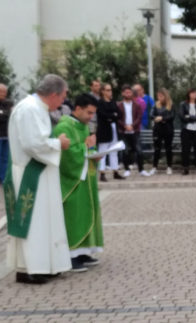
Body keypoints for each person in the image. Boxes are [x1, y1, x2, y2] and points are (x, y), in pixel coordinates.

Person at [5, 74, 71, 284]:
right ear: (53, 95)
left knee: (45, 222)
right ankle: (30, 269)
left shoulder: (36, 108)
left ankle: (46, 265)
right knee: (34, 223)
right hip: (30, 175)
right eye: (63, 97)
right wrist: (58, 143)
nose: (63, 102)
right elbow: (33, 144)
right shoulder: (29, 109)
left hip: (41, 174)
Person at [53, 93, 103, 272]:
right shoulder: (64, 126)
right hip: (72, 180)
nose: (91, 117)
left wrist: (95, 154)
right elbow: (67, 154)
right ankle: (71, 255)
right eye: (89, 113)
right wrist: (87, 148)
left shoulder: (83, 125)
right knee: (74, 217)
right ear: (78, 108)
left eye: (93, 114)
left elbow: (87, 147)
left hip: (86, 179)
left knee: (86, 214)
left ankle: (83, 252)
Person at [96, 83, 125, 181]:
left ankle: (115, 171)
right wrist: (113, 115)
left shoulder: (112, 102)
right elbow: (103, 115)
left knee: (114, 151)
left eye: (110, 90)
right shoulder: (100, 102)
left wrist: (112, 116)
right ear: (103, 91)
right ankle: (102, 173)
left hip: (114, 129)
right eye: (107, 90)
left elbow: (119, 114)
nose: (110, 92)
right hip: (104, 130)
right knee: (103, 152)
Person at [117, 84, 144, 177]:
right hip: (123, 131)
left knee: (139, 150)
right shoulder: (119, 105)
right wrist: (125, 126)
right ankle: (127, 169)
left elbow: (139, 117)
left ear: (132, 93)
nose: (128, 94)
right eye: (126, 92)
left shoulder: (136, 105)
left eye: (129, 92)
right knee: (125, 151)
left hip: (135, 130)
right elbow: (118, 118)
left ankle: (141, 170)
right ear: (123, 93)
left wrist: (132, 126)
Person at [178, 89, 196, 175]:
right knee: (185, 149)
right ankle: (185, 168)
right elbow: (182, 116)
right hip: (186, 129)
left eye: (195, 93)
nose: (194, 95)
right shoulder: (183, 104)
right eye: (192, 93)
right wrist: (194, 117)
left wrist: (190, 117)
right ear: (188, 94)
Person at [150, 88, 175, 175]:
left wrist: (162, 118)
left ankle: (169, 167)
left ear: (165, 96)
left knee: (168, 148)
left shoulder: (170, 105)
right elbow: (151, 115)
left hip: (168, 130)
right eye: (158, 96)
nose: (160, 97)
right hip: (157, 130)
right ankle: (154, 167)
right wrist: (155, 118)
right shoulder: (155, 105)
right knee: (157, 149)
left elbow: (172, 116)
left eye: (161, 96)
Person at [0, 83, 13, 183]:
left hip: (6, 135)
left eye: (4, 92)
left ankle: (3, 177)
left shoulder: (8, 103)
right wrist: (6, 114)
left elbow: (10, 115)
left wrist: (5, 114)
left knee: (5, 158)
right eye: (1, 92)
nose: (3, 94)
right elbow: (4, 117)